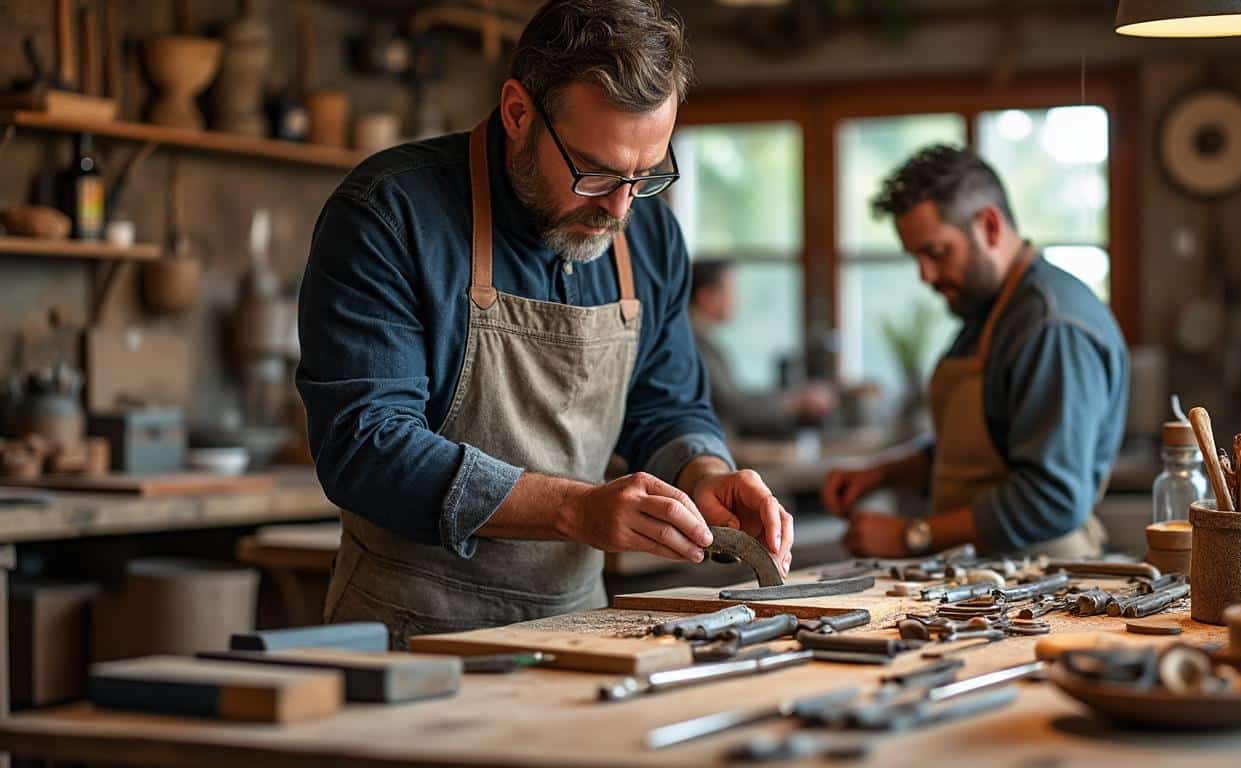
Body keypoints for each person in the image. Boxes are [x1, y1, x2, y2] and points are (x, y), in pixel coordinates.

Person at [298, 0, 793, 646]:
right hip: (411, 631)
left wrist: (704, 472)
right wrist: (574, 509)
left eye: (645, 176)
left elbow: (667, 406)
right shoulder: (389, 216)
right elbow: (365, 446)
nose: (619, 207)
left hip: (576, 627)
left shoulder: (648, 237)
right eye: (595, 172)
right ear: (517, 114)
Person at [821, 145, 1128, 559]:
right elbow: (984, 448)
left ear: (989, 226)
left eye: (936, 253)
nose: (926, 276)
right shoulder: (986, 311)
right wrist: (884, 473)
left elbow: (1053, 497)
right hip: (989, 576)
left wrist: (912, 534)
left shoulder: (1050, 327)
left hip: (1043, 583)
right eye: (916, 258)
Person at [689, 260, 835, 437]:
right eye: (731, 292)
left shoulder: (702, 338)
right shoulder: (694, 342)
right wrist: (796, 402)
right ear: (706, 296)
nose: (737, 300)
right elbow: (733, 405)